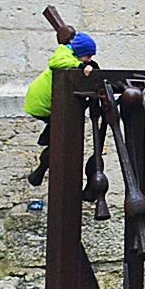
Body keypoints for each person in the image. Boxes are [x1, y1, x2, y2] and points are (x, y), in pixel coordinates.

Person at [23, 31, 97, 186]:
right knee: (59, 133)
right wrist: (81, 65)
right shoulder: (64, 54)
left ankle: (47, 139)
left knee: (59, 131)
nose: (89, 59)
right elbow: (57, 62)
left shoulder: (73, 55)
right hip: (41, 104)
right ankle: (48, 138)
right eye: (88, 56)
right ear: (79, 53)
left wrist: (90, 67)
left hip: (47, 104)